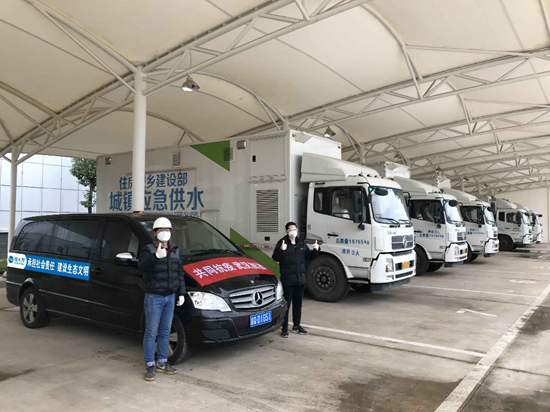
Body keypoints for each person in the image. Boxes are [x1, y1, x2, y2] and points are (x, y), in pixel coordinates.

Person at [138, 217, 186, 381]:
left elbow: (179, 273)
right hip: (154, 297)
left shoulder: (175, 249)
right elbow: (142, 267)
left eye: (167, 230)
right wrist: (155, 257)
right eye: (161, 230)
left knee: (165, 331)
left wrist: (181, 293)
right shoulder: (148, 250)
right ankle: (150, 364)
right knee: (151, 332)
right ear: (155, 233)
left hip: (170, 296)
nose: (164, 232)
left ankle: (162, 362)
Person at [272, 222, 320, 338]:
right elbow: (275, 258)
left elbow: (308, 256)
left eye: (295, 229)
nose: (293, 231)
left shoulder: (300, 243)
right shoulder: (282, 242)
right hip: (288, 280)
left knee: (298, 304)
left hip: (300, 279)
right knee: (287, 305)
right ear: (286, 232)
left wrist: (316, 250)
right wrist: (281, 250)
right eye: (291, 229)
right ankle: (284, 328)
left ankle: (296, 326)